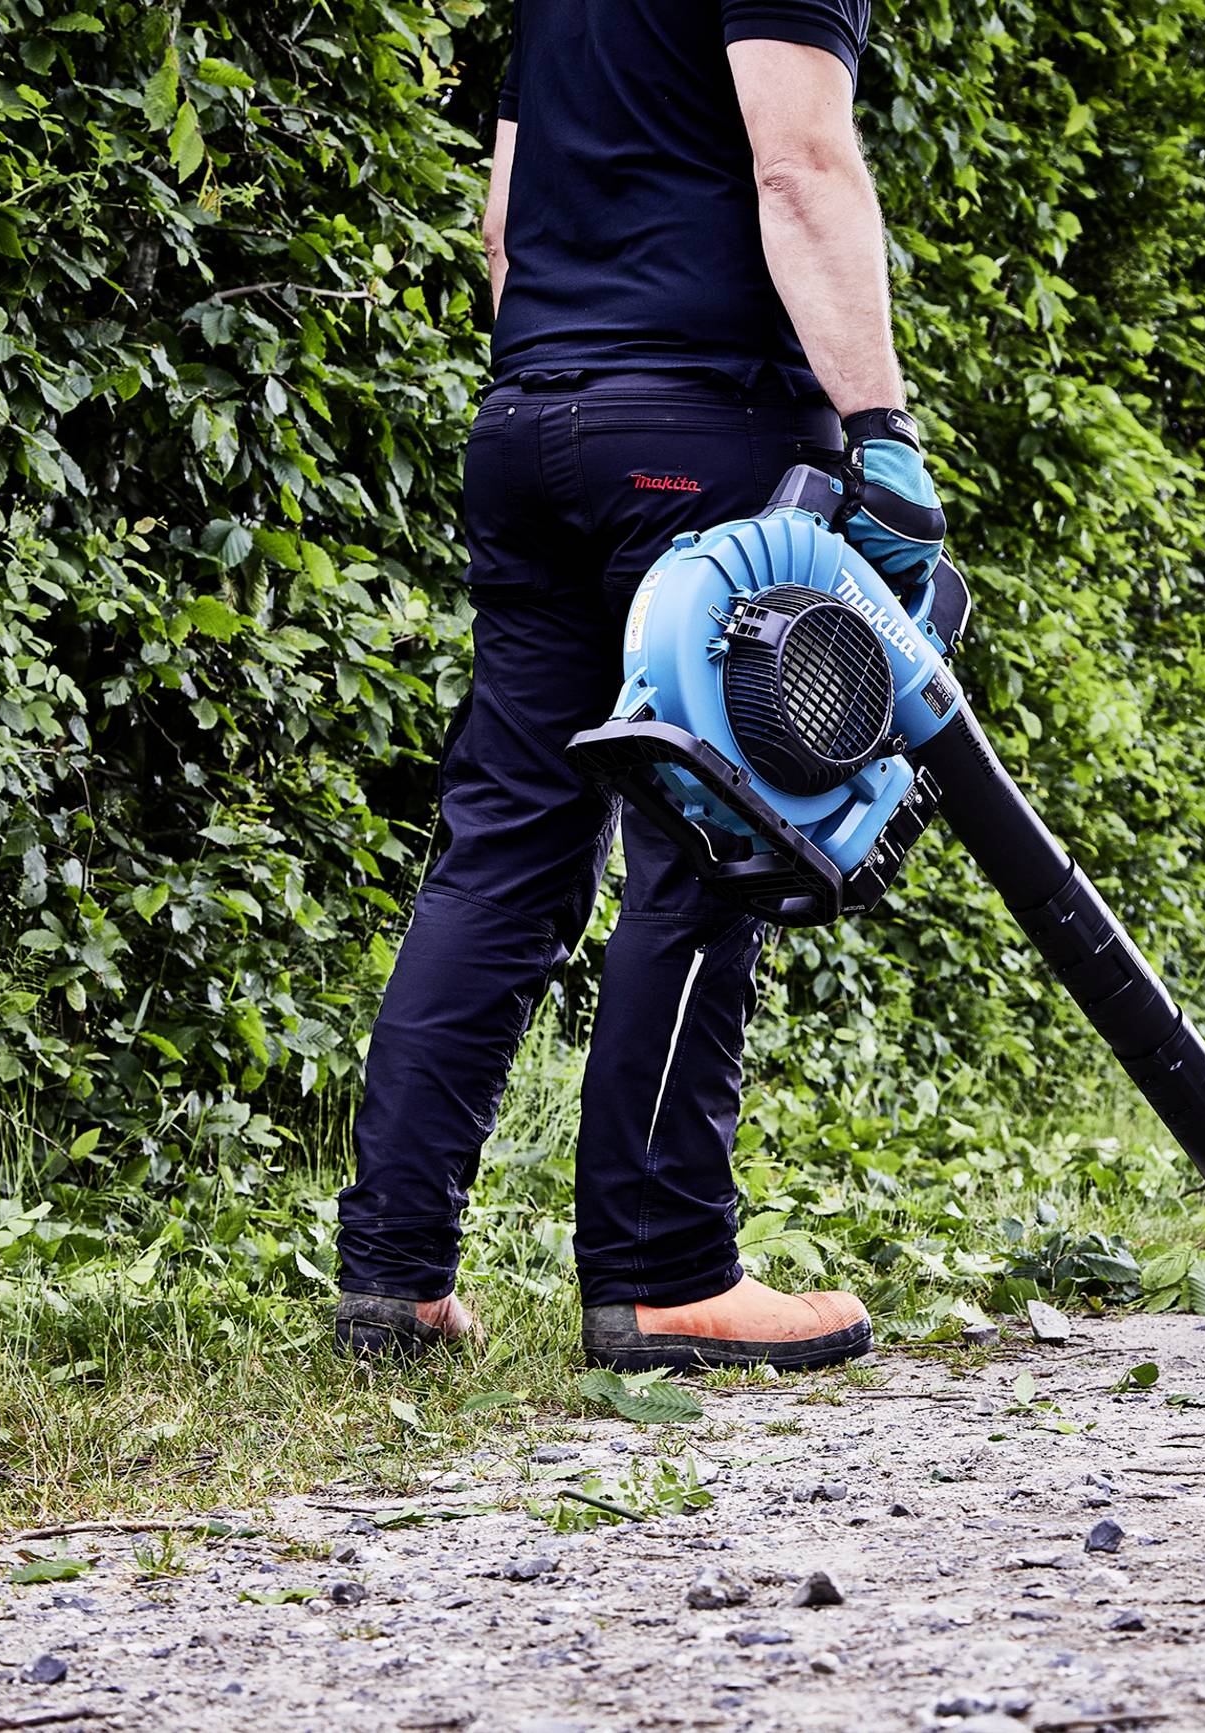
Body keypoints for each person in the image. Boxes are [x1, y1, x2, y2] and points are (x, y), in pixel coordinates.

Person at [331, 0, 945, 1370]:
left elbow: (502, 223)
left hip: (532, 418)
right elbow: (800, 166)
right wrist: (881, 431)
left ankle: (394, 1277)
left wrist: (583, 388)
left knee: (506, 849)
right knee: (709, 851)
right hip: (699, 429)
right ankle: (665, 1273)